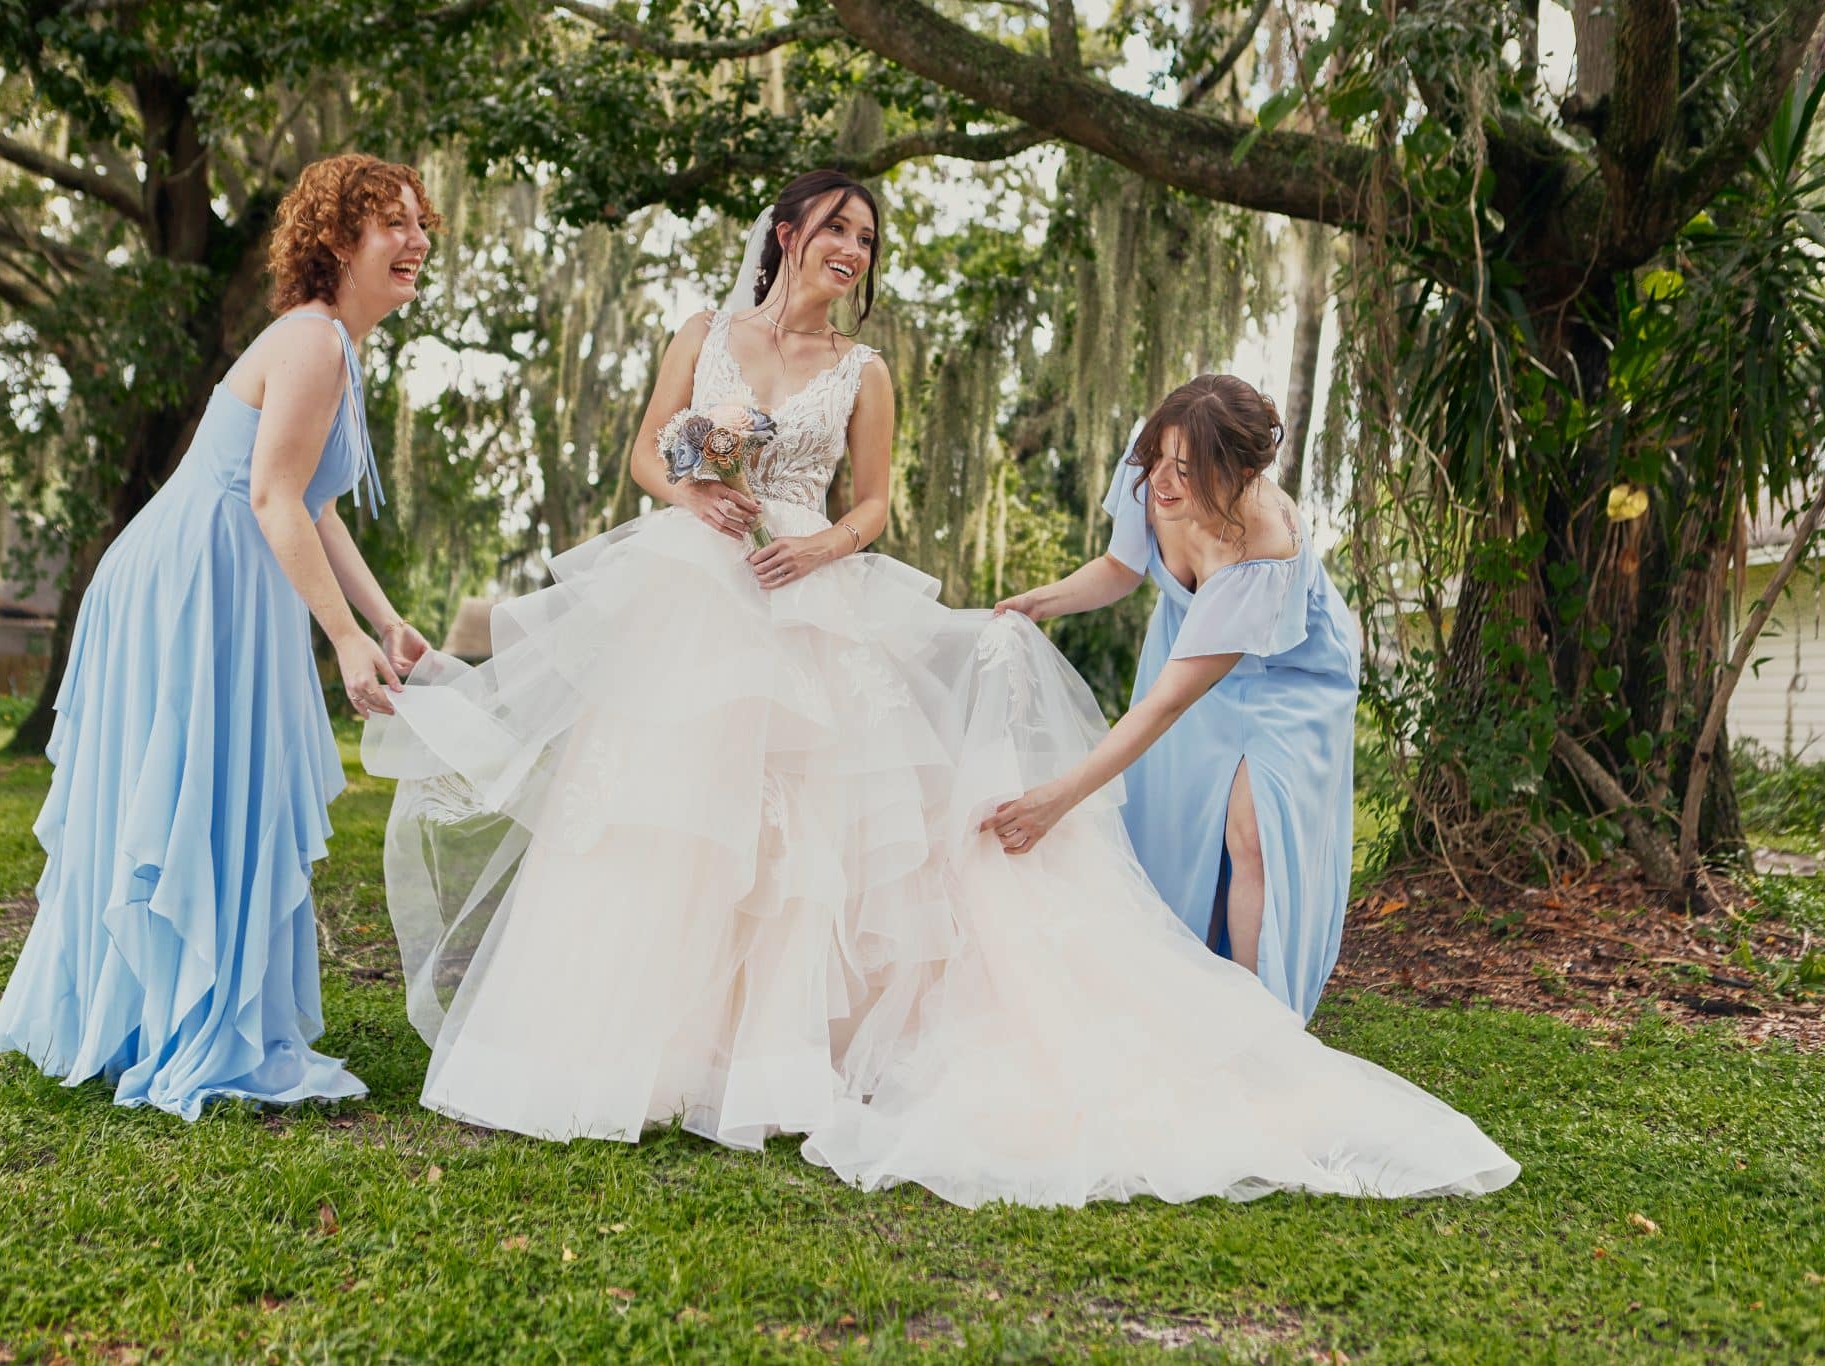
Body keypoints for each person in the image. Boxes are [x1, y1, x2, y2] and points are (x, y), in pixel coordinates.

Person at [365, 171, 1517, 1208]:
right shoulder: (699, 328)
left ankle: (779, 1060)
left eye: (866, 237)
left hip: (809, 591)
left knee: (807, 834)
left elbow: (872, 507)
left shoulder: (864, 372)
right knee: (664, 815)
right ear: (785, 233)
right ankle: (627, 1049)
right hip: (689, 589)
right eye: (835, 227)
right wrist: (691, 491)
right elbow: (643, 452)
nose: (852, 249)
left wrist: (825, 548)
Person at [0, 154, 438, 1120]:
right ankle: (178, 1025)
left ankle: (180, 1012)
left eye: (420, 223)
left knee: (226, 785)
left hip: (229, 569)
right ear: (335, 242)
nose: (416, 240)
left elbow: (316, 509)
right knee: (200, 782)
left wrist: (385, 619)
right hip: (197, 579)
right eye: (391, 224)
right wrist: (344, 642)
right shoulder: (313, 341)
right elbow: (274, 499)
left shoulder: (333, 349)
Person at [990, 381, 1360, 1020]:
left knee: (1251, 833)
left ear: (1237, 473)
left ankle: (1255, 1017)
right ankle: (1186, 987)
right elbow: (1123, 568)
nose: (1160, 479)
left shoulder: (1262, 548)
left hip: (1290, 677)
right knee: (1177, 824)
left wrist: (1061, 798)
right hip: (1191, 643)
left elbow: (1164, 706)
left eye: (1185, 470)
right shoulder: (1157, 463)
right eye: (1157, 457)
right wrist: (1039, 602)